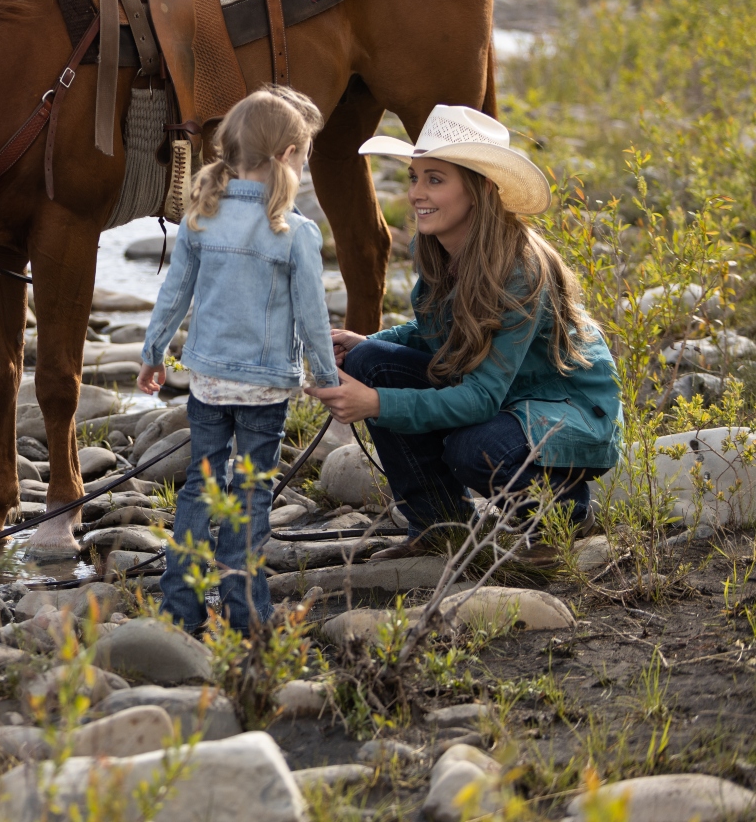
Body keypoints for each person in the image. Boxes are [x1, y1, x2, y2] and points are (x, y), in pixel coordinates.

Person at [305, 105, 622, 560]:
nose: (416, 193)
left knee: (474, 448)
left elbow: (480, 399)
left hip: (562, 408)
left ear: (479, 189)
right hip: (507, 396)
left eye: (435, 179)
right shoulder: (436, 249)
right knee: (370, 362)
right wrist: (374, 343)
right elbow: (436, 327)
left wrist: (375, 404)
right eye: (415, 177)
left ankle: (561, 514)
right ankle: (438, 525)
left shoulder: (519, 269)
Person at [138, 86, 340, 632]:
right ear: (287, 158)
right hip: (265, 388)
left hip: (207, 381)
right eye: (302, 155)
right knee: (251, 494)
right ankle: (246, 611)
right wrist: (324, 378)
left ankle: (180, 609)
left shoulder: (201, 216)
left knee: (201, 487)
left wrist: (153, 352)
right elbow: (312, 317)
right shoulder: (296, 231)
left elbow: (174, 293)